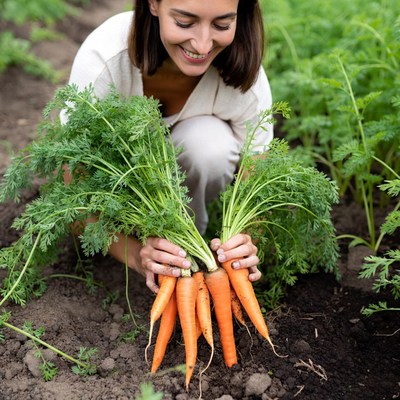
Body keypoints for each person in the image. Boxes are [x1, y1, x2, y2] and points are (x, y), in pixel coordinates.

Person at [64, 0, 273, 293]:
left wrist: (248, 238)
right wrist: (136, 255)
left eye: (222, 25)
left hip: (192, 175)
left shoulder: (245, 84)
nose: (202, 45)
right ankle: (155, 250)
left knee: (209, 145)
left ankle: (191, 246)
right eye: (185, 22)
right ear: (153, 4)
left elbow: (258, 181)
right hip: (122, 198)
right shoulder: (106, 58)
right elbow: (74, 190)